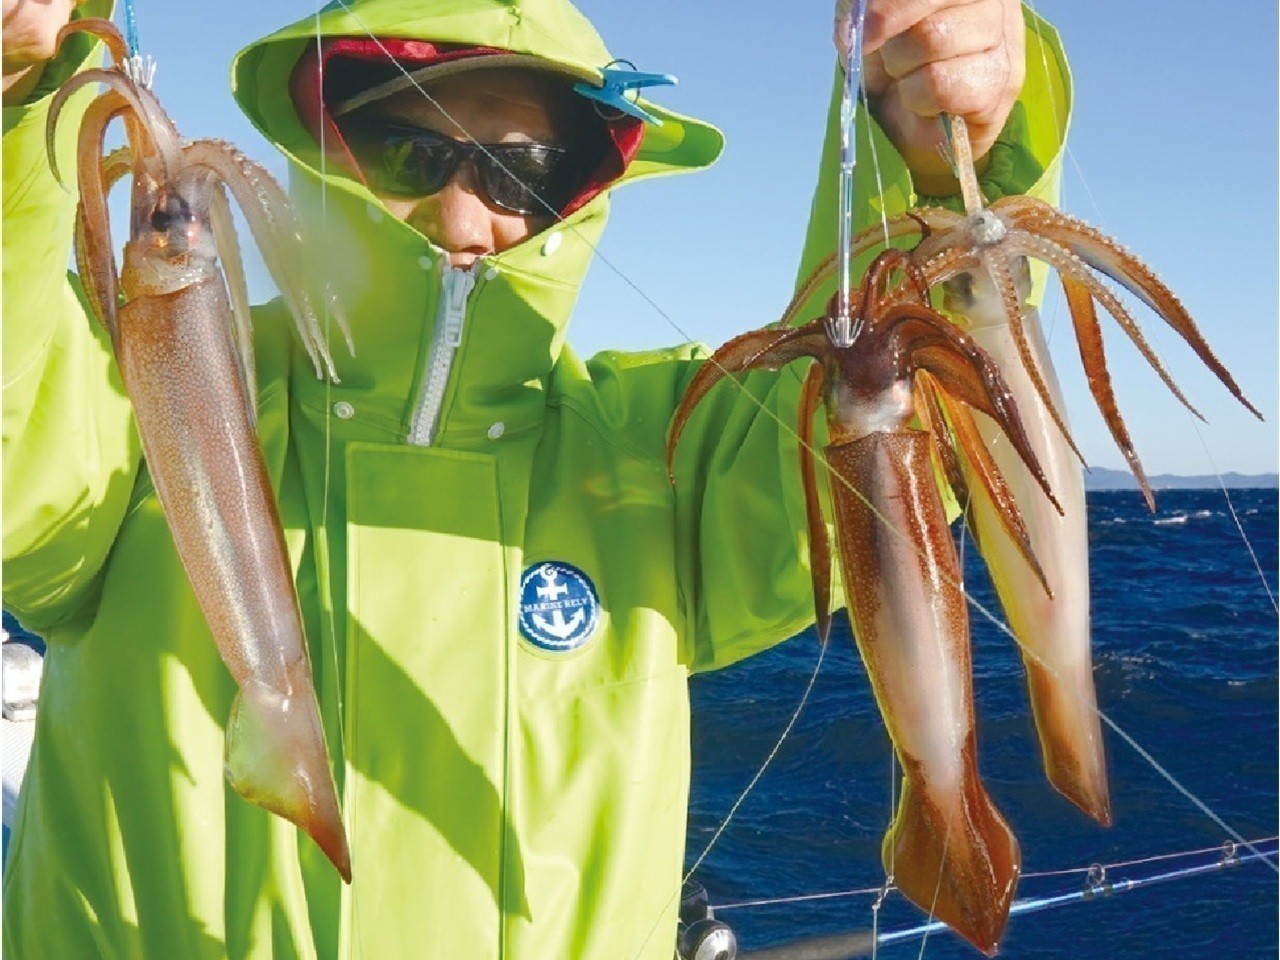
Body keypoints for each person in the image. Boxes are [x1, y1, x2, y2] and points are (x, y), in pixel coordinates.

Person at [1, 0, 1067, 956]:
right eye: (409, 150)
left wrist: (936, 159)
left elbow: (892, 401)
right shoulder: (130, 399)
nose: (466, 217)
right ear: (322, 144)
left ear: (584, 190)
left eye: (521, 173)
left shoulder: (672, 449)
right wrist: (17, 91)